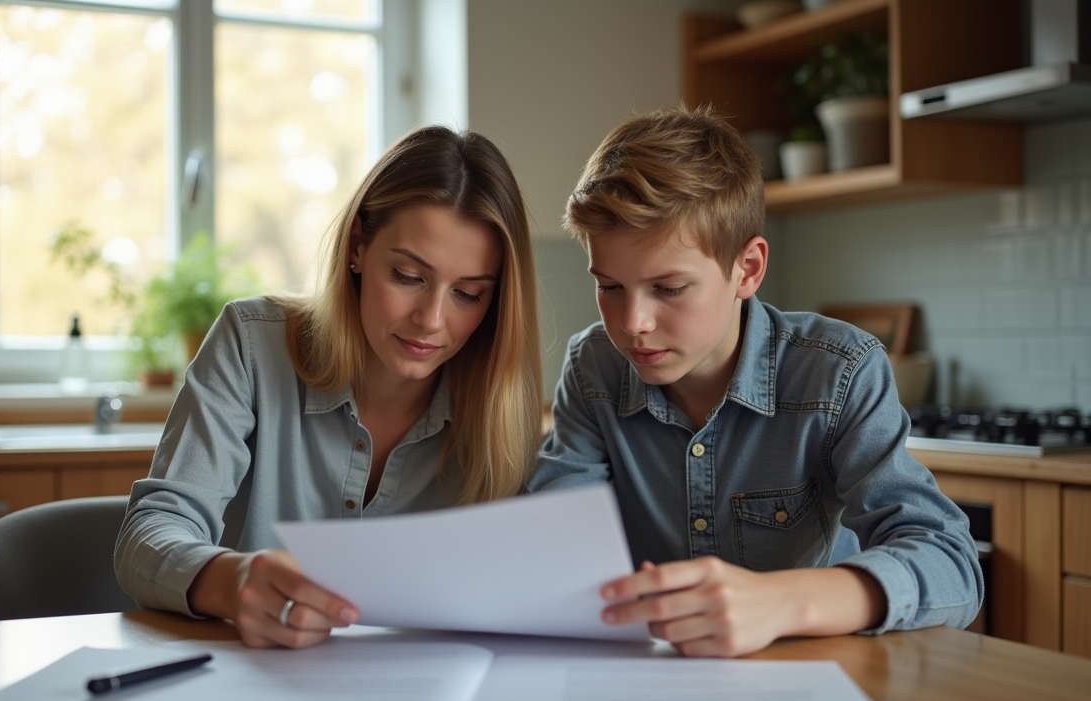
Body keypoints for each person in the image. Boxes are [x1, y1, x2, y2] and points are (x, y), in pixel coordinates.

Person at [529, 105, 982, 657]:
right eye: (610, 287)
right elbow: (551, 542)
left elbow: (953, 564)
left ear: (747, 269)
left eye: (669, 288)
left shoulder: (839, 371)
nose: (632, 324)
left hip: (814, 675)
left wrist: (783, 600)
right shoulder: (593, 367)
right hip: (649, 678)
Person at [116, 126, 543, 649]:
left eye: (469, 294)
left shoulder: (501, 407)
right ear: (358, 247)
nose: (432, 320)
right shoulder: (250, 345)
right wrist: (230, 582)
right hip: (251, 691)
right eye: (408, 276)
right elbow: (149, 533)